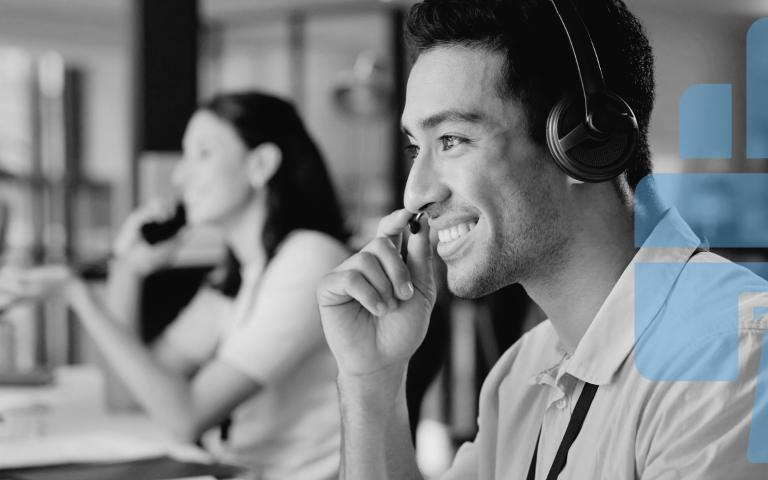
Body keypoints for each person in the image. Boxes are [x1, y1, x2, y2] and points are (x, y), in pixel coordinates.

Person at [316, 1, 768, 479]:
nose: (416, 194)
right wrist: (371, 382)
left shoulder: (729, 356)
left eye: (452, 139)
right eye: (415, 148)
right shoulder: (520, 373)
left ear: (587, 143)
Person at [0, 91, 350, 480]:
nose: (180, 175)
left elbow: (186, 417)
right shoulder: (239, 274)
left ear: (261, 164)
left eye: (202, 154)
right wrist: (128, 270)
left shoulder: (310, 260)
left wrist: (78, 295)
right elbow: (127, 396)